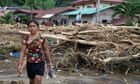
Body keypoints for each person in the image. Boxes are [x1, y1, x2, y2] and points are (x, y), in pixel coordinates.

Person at [17, 20, 53, 84]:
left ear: (38, 27)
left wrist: (50, 62)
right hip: (30, 62)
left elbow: (46, 50)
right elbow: (22, 52)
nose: (32, 28)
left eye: (34, 26)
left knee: (38, 79)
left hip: (40, 62)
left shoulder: (42, 38)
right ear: (28, 28)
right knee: (32, 81)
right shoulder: (26, 39)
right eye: (30, 26)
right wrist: (20, 64)